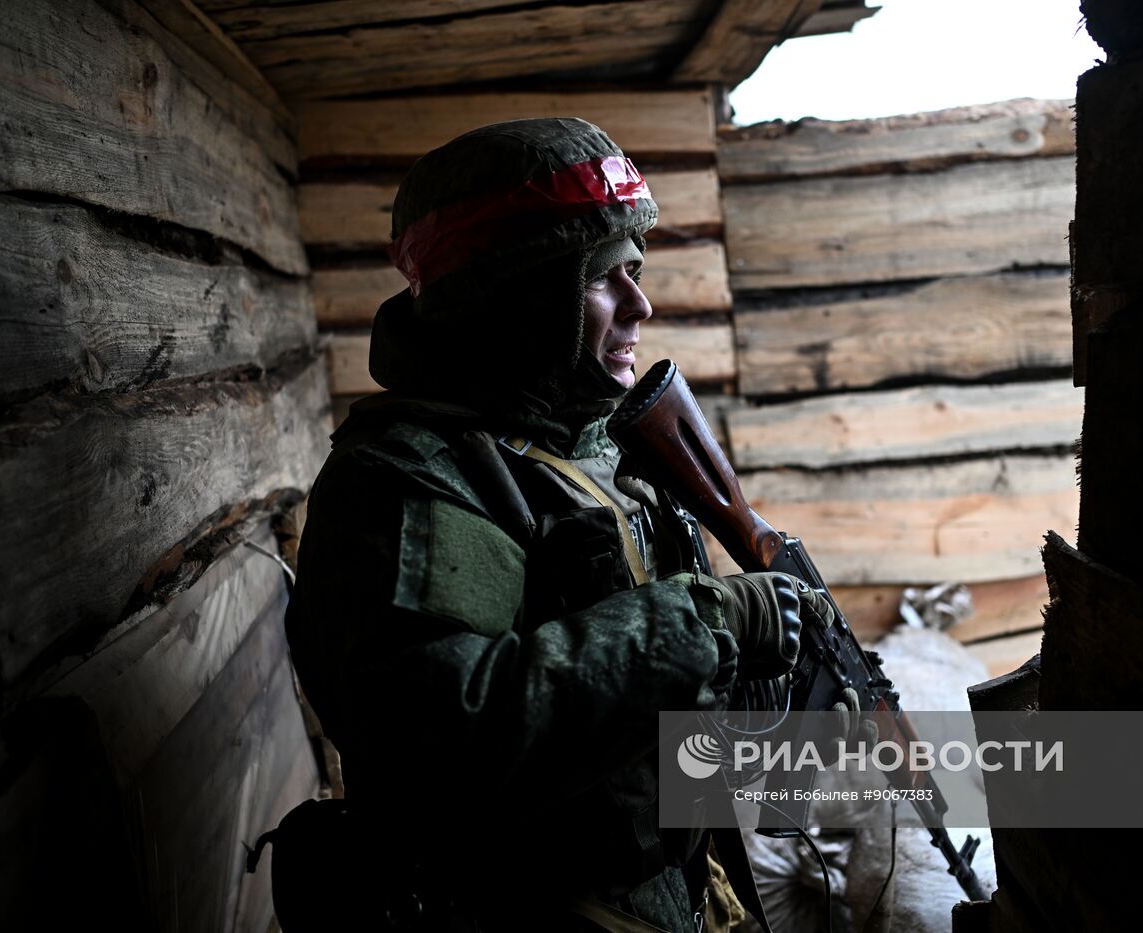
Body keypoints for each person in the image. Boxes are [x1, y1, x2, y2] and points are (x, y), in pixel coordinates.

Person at [284, 117, 824, 932]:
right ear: (516, 297)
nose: (641, 305)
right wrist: (712, 620)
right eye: (604, 278)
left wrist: (765, 679)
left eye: (636, 271)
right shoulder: (411, 480)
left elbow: (634, 719)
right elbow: (449, 730)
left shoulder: (596, 448)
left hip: (673, 889)